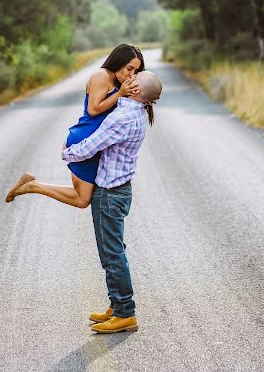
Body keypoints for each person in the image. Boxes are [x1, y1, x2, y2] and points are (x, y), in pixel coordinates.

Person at [62, 70, 162, 334]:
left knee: (112, 255)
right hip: (119, 191)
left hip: (109, 195)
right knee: (114, 251)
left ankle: (125, 314)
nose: (129, 77)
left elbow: (90, 146)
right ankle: (117, 304)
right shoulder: (134, 112)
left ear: (137, 90)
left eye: (134, 77)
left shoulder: (123, 117)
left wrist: (66, 152)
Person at [5, 44, 144, 207]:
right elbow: (93, 110)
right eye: (129, 68)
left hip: (96, 143)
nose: (131, 74)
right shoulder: (102, 76)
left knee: (84, 197)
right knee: (82, 199)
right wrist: (120, 94)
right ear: (119, 61)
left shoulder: (119, 83)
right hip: (85, 139)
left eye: (135, 71)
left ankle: (32, 185)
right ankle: (33, 186)